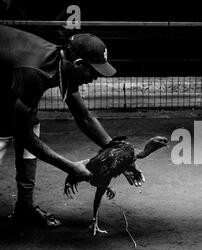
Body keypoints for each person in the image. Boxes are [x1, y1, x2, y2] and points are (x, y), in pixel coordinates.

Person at [0, 25, 144, 228]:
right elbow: (22, 135)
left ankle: (24, 207)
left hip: (9, 77)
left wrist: (120, 154)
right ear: (78, 64)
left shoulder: (64, 66)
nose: (95, 78)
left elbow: (84, 117)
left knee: (29, 122)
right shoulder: (36, 72)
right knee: (11, 131)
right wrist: (70, 167)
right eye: (94, 71)